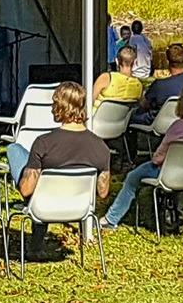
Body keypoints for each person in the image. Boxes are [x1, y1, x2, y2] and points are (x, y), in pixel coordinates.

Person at [6, 81, 113, 254]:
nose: (51, 108)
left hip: (44, 204)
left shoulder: (43, 143)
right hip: (79, 207)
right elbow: (102, 192)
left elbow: (26, 190)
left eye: (54, 104)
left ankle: (36, 245)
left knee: (14, 150)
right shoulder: (101, 147)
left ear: (60, 107)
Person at [104, 82, 183, 229]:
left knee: (132, 178)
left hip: (170, 174)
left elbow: (157, 158)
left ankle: (111, 219)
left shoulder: (178, 127)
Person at [135, 43, 183, 123]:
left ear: (167, 60)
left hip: (159, 123)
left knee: (130, 116)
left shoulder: (159, 85)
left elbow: (144, 105)